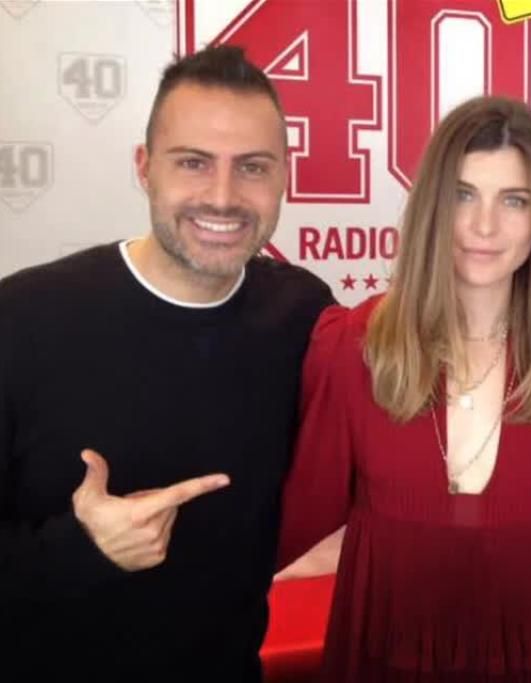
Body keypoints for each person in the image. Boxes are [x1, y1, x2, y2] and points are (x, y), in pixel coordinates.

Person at [0, 46, 332, 682]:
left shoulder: (302, 312)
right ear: (144, 167)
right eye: (193, 162)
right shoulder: (21, 318)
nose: (223, 196)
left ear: (284, 177)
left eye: (252, 167)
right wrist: (82, 548)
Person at [278, 95, 531, 682]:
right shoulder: (352, 346)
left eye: (514, 200)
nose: (484, 226)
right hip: (385, 648)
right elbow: (290, 517)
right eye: (463, 195)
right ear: (432, 207)